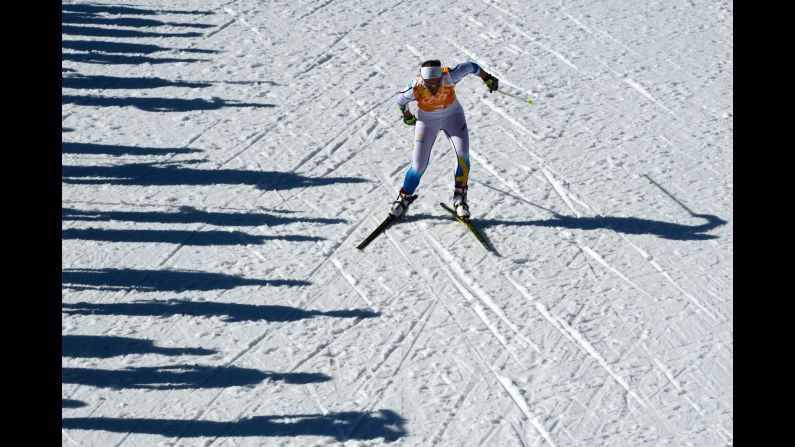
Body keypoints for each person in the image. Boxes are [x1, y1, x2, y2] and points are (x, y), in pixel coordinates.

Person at [390, 59, 498, 218]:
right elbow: (400, 101)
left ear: (441, 76)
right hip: (427, 121)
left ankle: (460, 198)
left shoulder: (450, 76)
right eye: (429, 85)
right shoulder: (415, 87)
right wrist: (407, 115)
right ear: (422, 80)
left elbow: (471, 66)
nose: (433, 89)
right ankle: (404, 198)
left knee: (462, 155)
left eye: (437, 84)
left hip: (453, 116)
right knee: (418, 165)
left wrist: (487, 77)